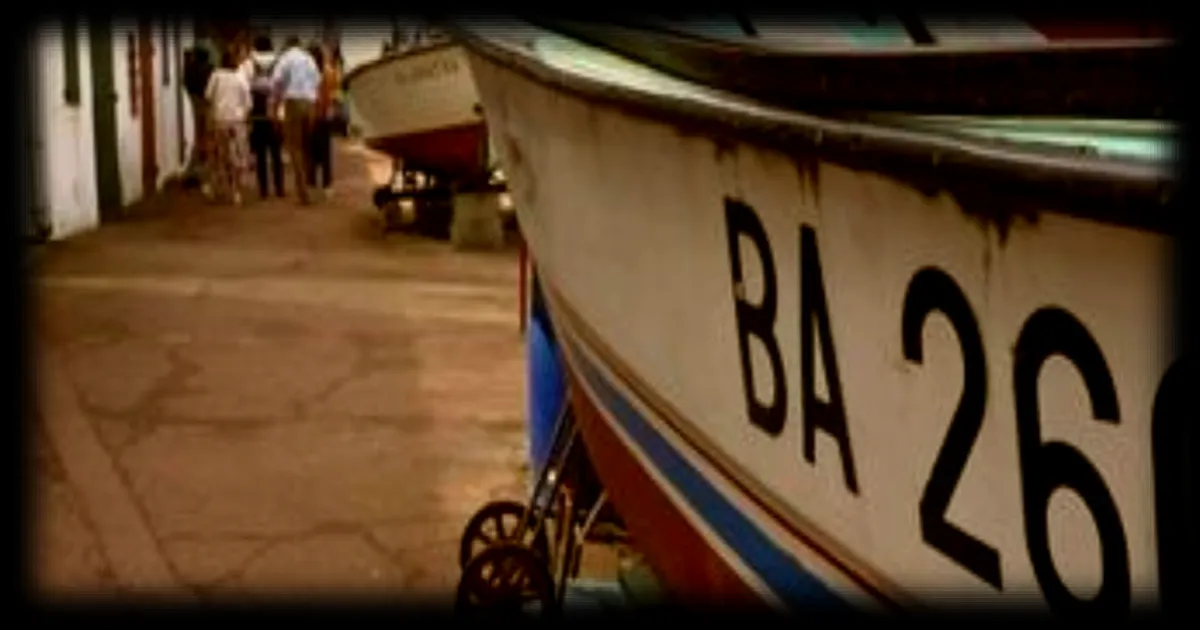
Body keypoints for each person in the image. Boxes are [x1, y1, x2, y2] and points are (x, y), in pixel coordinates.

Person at [271, 35, 321, 205]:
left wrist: (274, 106)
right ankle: (309, 182)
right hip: (310, 103)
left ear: (287, 44)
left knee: (295, 147)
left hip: (293, 102)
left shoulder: (285, 59)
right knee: (308, 146)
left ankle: (303, 191)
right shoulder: (309, 59)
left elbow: (277, 83)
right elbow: (316, 82)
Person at [204, 49, 252, 205]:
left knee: (218, 155)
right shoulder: (240, 78)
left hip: (220, 120)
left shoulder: (216, 76)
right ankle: (236, 191)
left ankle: (215, 187)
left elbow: (208, 96)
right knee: (236, 155)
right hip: (237, 121)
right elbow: (248, 103)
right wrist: (244, 116)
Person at [247, 35, 285, 199]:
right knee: (276, 152)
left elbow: (246, 84)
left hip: (258, 110)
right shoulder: (278, 61)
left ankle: (263, 190)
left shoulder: (250, 62)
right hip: (274, 109)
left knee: (261, 153)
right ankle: (279, 188)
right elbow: (282, 84)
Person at [182, 46, 215, 193]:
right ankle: (202, 174)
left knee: (199, 135)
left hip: (195, 100)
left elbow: (186, 84)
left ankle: (194, 171)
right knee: (206, 136)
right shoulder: (209, 69)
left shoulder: (190, 68)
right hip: (206, 102)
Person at [307, 43, 337, 198]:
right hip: (325, 116)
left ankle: (311, 183)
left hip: (313, 116)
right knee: (325, 153)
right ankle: (327, 185)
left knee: (311, 151)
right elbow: (332, 94)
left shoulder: (308, 72)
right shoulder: (329, 71)